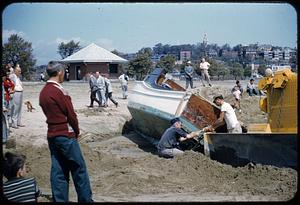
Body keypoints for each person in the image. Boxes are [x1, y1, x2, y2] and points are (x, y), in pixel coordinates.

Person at [39, 61, 93, 202]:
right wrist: (76, 131)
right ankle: (86, 200)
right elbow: (71, 115)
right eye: (64, 72)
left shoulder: (43, 92)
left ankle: (60, 200)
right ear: (59, 73)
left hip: (52, 134)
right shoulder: (60, 91)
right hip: (65, 135)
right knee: (78, 169)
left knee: (58, 171)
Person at [10, 64, 25, 129]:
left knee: (19, 108)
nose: (20, 72)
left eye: (20, 71)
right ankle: (14, 123)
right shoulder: (13, 76)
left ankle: (18, 122)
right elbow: (10, 76)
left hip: (20, 92)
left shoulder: (18, 78)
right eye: (19, 71)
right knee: (16, 108)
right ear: (15, 71)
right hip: (16, 93)